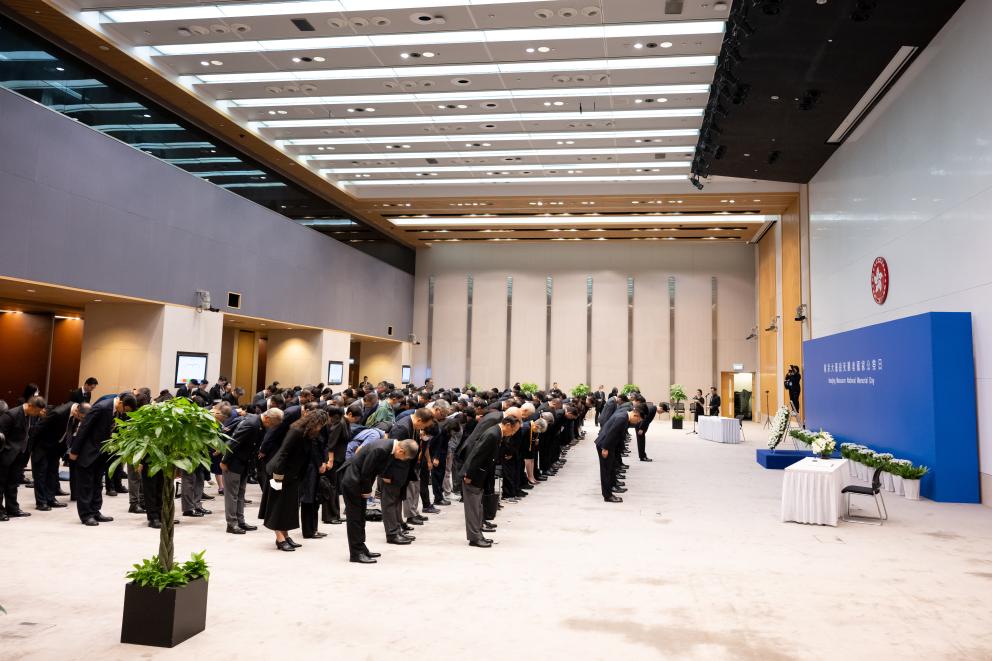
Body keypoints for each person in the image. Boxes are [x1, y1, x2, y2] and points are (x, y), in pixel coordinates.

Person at [339, 437, 419, 564]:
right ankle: (356, 553)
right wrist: (367, 491)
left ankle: (361, 547)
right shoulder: (382, 449)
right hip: (353, 481)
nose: (402, 460)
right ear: (400, 451)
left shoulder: (390, 447)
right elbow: (366, 471)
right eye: (404, 458)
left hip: (358, 481)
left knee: (361, 517)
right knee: (355, 518)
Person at [261, 409, 329, 551]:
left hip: (292, 475)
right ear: (314, 422)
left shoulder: (308, 434)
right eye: (320, 424)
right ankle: (279, 538)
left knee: (288, 507)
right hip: (279, 473)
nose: (320, 428)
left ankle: (285, 535)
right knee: (277, 505)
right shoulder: (296, 431)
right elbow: (283, 453)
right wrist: (278, 477)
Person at [69, 393, 138, 525]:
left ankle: (95, 511)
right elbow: (84, 427)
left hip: (101, 453)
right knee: (86, 485)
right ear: (121, 403)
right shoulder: (101, 407)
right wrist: (75, 451)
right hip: (89, 452)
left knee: (97, 484)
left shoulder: (115, 411)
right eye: (125, 409)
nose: (124, 413)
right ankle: (86, 515)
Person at [461, 415, 521, 548]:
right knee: (473, 509)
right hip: (473, 475)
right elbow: (477, 455)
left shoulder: (497, 433)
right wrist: (469, 474)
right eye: (514, 430)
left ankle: (478, 535)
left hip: (480, 475)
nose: (513, 433)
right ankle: (474, 538)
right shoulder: (493, 434)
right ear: (508, 425)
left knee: (478, 507)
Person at [221, 407, 283, 534]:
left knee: (240, 494)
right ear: (267, 418)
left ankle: (240, 521)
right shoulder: (252, 424)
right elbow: (234, 442)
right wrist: (224, 461)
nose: (271, 427)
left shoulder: (260, 424)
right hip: (233, 463)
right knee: (232, 495)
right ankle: (231, 524)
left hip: (244, 464)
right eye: (272, 424)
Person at [31, 401, 88, 510]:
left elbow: (68, 430)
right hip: (42, 447)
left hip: (55, 447)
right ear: (76, 411)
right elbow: (38, 428)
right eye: (81, 417)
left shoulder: (76, 414)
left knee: (52, 474)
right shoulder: (58, 413)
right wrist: (32, 449)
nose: (81, 420)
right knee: (41, 475)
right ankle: (41, 502)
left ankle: (51, 499)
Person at [0, 396, 48, 520]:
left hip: (20, 455)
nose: (38, 413)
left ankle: (12, 508)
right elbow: (1, 435)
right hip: (6, 455)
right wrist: (6, 451)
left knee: (13, 483)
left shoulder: (31, 415)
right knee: (1, 483)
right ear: (30, 406)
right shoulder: (11, 415)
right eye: (37, 411)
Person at [595, 403, 645, 503]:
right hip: (605, 445)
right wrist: (605, 448)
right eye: (638, 420)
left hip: (608, 445)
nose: (636, 423)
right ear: (635, 415)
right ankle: (607, 496)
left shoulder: (624, 416)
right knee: (606, 471)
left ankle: (610, 490)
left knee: (610, 468)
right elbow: (611, 433)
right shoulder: (622, 418)